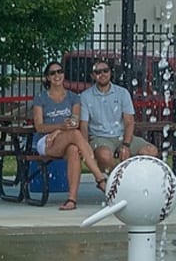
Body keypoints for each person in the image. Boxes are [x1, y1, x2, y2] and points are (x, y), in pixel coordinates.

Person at [29, 60, 102, 211]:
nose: (57, 75)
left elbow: (74, 121)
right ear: (47, 78)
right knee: (75, 135)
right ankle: (99, 177)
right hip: (46, 141)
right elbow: (40, 126)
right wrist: (59, 128)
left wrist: (59, 131)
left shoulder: (73, 98)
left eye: (60, 71)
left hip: (66, 137)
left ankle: (72, 199)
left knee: (74, 150)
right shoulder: (41, 98)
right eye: (52, 73)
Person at [79, 57, 157, 173]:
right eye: (98, 72)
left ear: (110, 72)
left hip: (122, 136)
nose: (102, 74)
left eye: (105, 70)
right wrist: (86, 148)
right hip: (100, 138)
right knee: (104, 155)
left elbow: (129, 122)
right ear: (92, 76)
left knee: (151, 151)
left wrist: (126, 144)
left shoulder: (122, 93)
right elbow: (83, 125)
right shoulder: (85, 96)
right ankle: (118, 181)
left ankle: (134, 178)